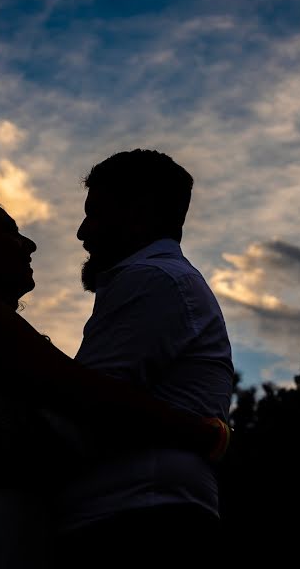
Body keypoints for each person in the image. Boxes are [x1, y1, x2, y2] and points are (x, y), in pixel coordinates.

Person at [0, 174, 231, 569]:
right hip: (4, 523)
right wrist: (207, 433)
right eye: (10, 232)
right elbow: (95, 401)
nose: (30, 244)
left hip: (10, 517)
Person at [53, 150, 235, 568]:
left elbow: (86, 408)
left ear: (139, 214)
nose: (82, 232)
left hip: (138, 522)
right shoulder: (161, 281)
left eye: (95, 214)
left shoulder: (152, 280)